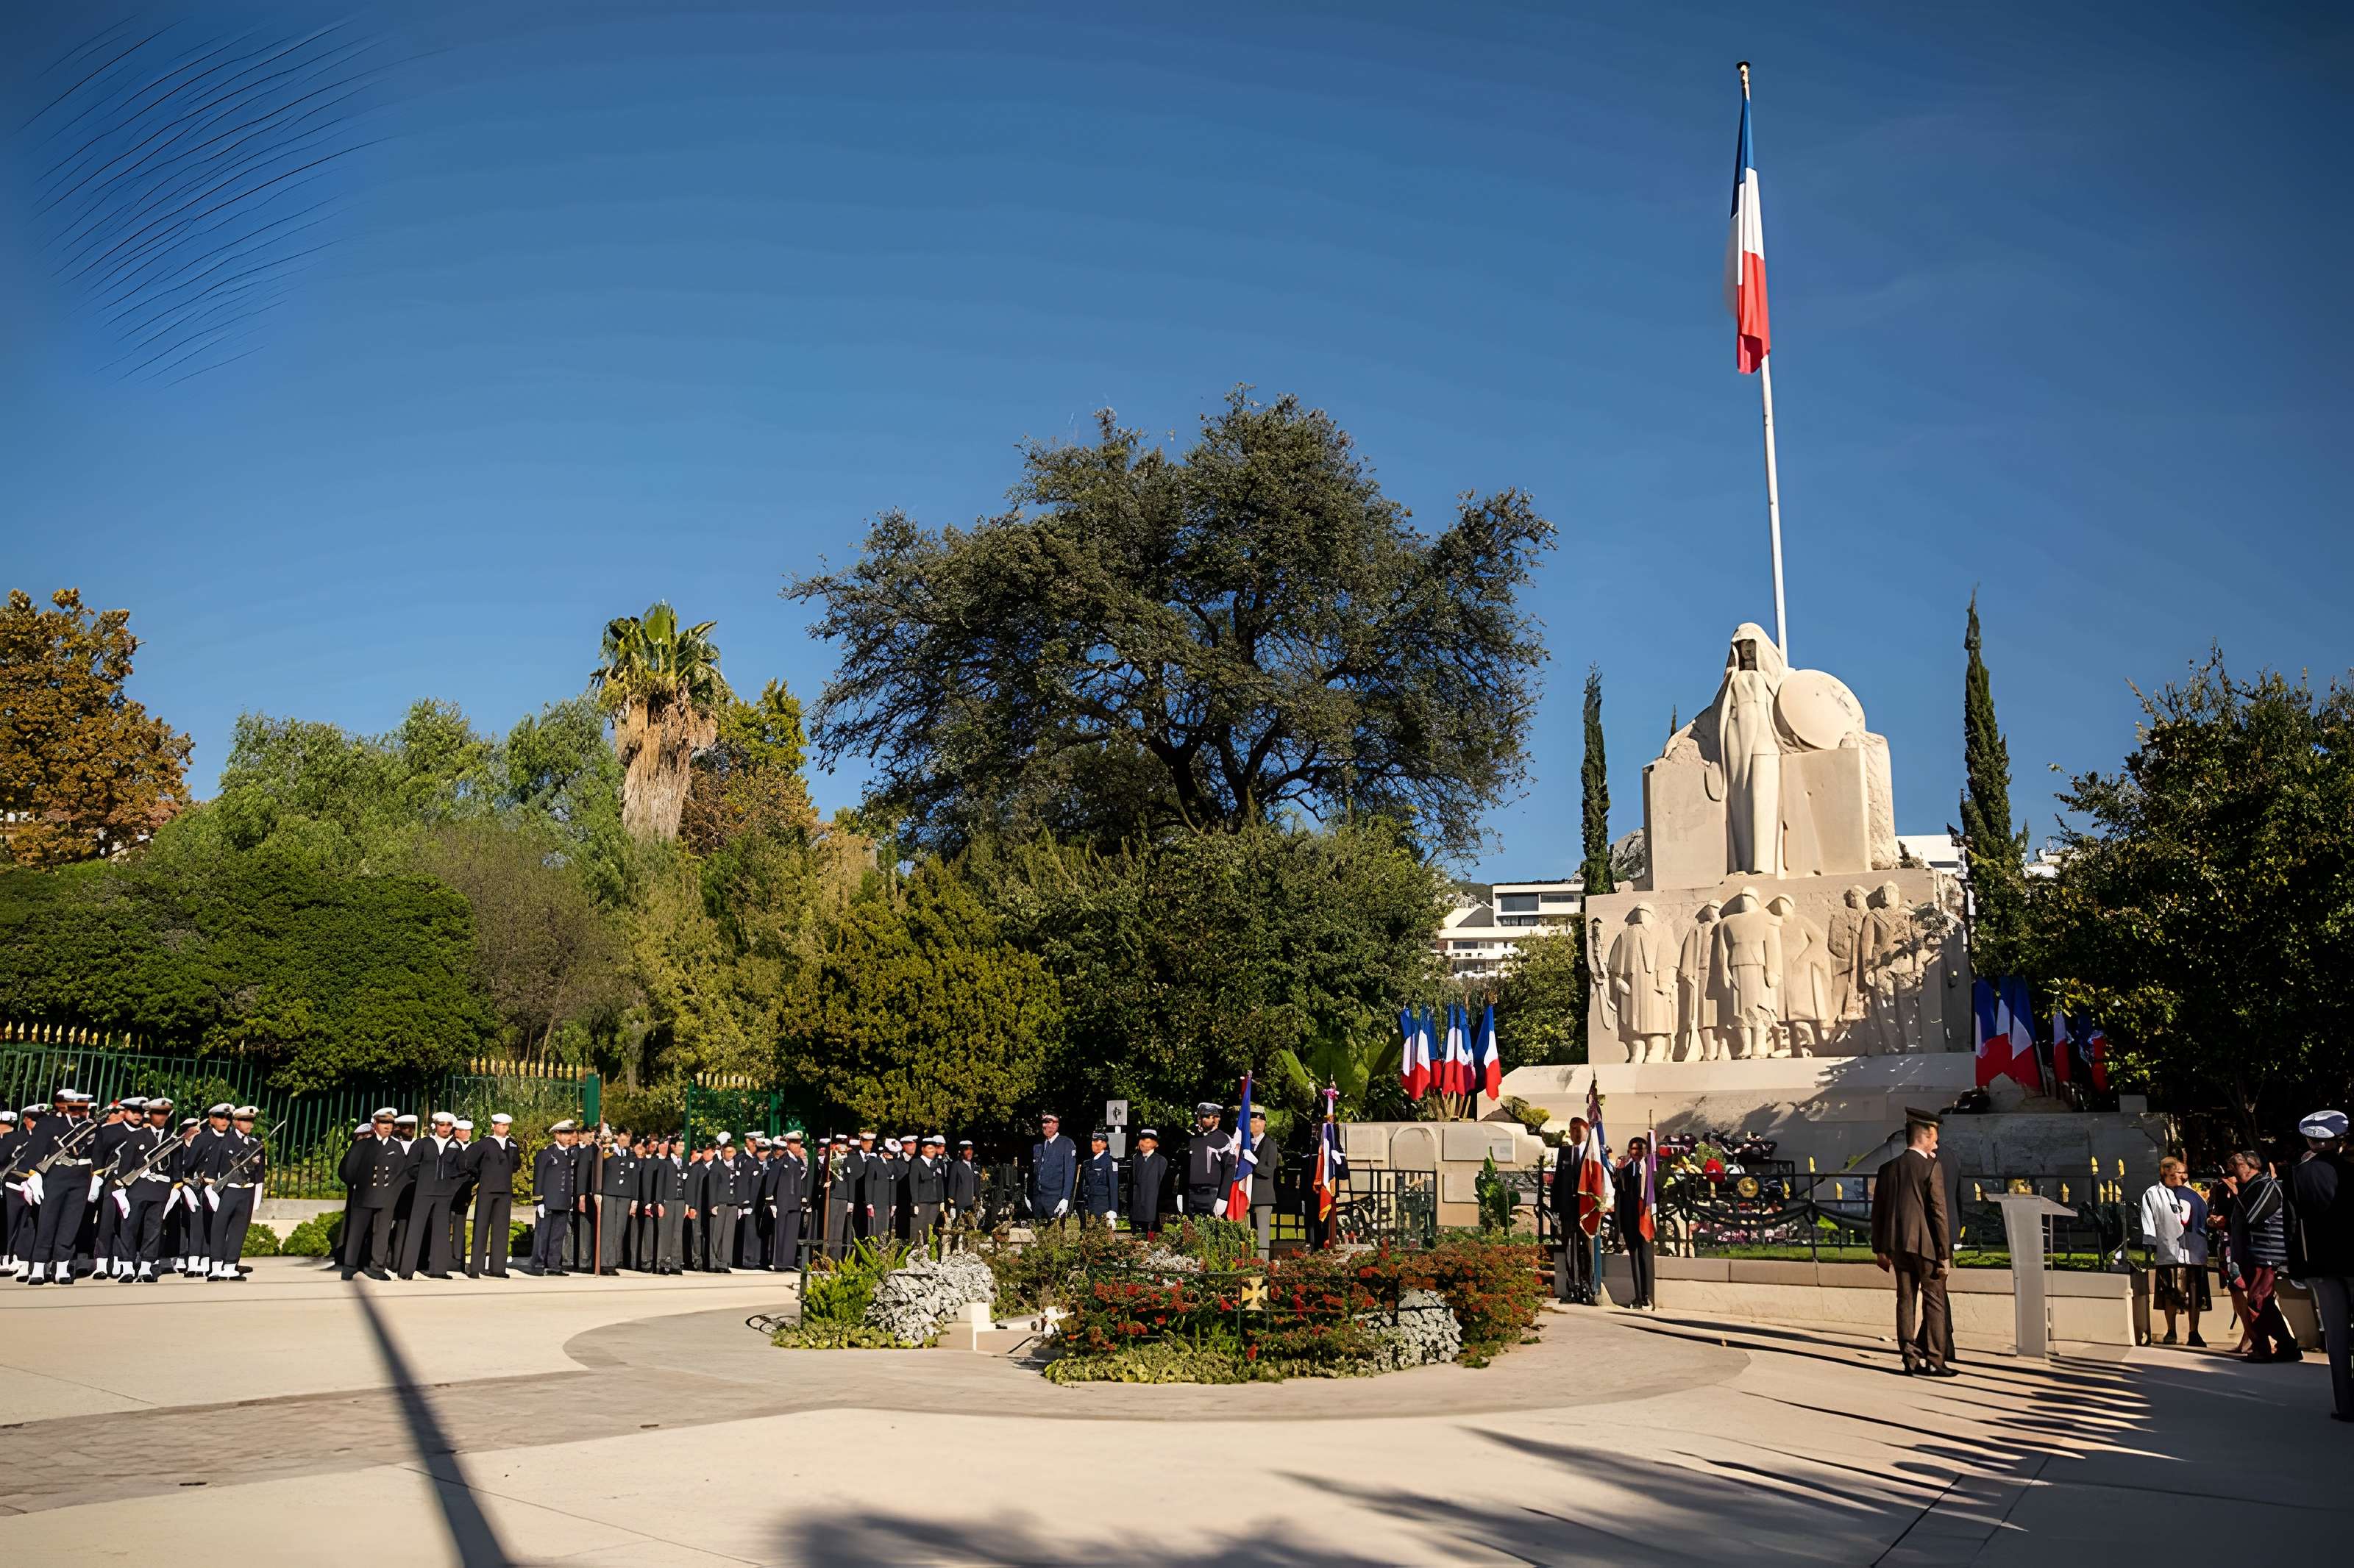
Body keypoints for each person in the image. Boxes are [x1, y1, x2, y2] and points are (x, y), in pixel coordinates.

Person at [1870, 1108, 1955, 1377]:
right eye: (1935, 1137)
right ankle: (1935, 1360)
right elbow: (1939, 1213)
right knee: (1935, 1302)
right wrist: (1945, 1253)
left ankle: (1909, 1359)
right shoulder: (1932, 1166)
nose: (1936, 1143)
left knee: (1905, 1300)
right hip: (1928, 1247)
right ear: (1926, 1135)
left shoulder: (1888, 1169)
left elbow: (1879, 1213)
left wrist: (1880, 1249)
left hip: (1897, 1246)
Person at [2287, 1109, 2353, 1422]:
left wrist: (2298, 1268)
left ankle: (2346, 1405)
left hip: (2322, 1263)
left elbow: (2292, 1225)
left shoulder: (2299, 1174)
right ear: (2339, 1140)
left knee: (2337, 1337)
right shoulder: (2349, 1170)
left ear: (2310, 1140)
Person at [2225, 1150, 2300, 1364]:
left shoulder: (2266, 1186)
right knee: (2262, 1303)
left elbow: (2253, 1216)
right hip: (2254, 1254)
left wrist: (2236, 1196)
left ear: (2252, 1166)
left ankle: (2266, 1348)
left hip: (2265, 1254)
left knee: (2258, 1302)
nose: (2233, 1170)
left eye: (2237, 1165)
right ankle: (2285, 1346)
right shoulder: (2253, 1187)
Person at [26, 1091, 100, 1285]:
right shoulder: (50, 1124)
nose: (80, 1111)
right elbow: (35, 1150)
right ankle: (40, 1267)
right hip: (57, 1176)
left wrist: (96, 1179)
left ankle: (61, 1268)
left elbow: (98, 1154)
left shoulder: (91, 1127)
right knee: (47, 1222)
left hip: (81, 1178)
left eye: (83, 1107)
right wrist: (34, 1176)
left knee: (70, 1223)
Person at [2138, 1157, 2210, 1347]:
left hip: (2195, 1251)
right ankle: (2171, 1331)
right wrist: (2151, 1242)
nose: (2181, 1175)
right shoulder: (2153, 1194)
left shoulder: (2195, 1195)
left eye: (2181, 1172)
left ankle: (2194, 1333)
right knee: (2170, 1292)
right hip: (2169, 1251)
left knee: (2195, 1294)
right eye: (2176, 1172)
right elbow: (2149, 1219)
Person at [399, 1112, 465, 1280]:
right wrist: (423, 1180)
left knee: (442, 1232)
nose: (446, 1128)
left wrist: (452, 1189)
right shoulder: (422, 1144)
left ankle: (439, 1270)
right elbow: (411, 1167)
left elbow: (462, 1171)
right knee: (415, 1229)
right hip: (424, 1192)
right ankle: (407, 1270)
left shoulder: (456, 1146)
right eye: (442, 1125)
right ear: (435, 1125)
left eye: (449, 1125)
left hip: (444, 1195)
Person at [341, 1110, 402, 1280]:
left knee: (381, 1233)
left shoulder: (395, 1146)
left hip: (386, 1195)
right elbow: (349, 1168)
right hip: (365, 1193)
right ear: (376, 1124)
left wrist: (393, 1190)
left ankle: (377, 1267)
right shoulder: (364, 1145)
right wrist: (356, 1185)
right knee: (357, 1231)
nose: (388, 1128)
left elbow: (401, 1170)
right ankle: (350, 1266)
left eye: (390, 1125)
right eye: (384, 1125)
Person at [466, 1114, 522, 1278]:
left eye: (507, 1126)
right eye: (502, 1125)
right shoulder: (484, 1144)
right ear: (494, 1126)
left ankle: (498, 1268)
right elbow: (470, 1163)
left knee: (501, 1229)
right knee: (481, 1227)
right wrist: (483, 1174)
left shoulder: (512, 1144)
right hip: (487, 1189)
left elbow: (516, 1165)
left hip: (504, 1190)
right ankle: (476, 1267)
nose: (506, 1129)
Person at [2206, 1174, 2252, 1353]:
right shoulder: (2219, 1189)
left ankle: (2253, 1335)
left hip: (2244, 1246)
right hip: (2227, 1245)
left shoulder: (2251, 1188)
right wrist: (2214, 1220)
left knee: (2248, 1290)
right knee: (2235, 1289)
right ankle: (2249, 1334)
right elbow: (2211, 1214)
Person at [1549, 1116, 1592, 1305]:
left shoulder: (1592, 1153)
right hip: (1568, 1209)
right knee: (1569, 1249)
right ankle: (1571, 1288)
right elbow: (1558, 1181)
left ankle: (1587, 1287)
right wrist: (1555, 1208)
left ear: (1586, 1129)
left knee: (1585, 1249)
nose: (1574, 1132)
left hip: (1585, 1209)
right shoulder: (1565, 1152)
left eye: (1578, 1129)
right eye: (1572, 1128)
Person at [1614, 1136, 1657, 1311]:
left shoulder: (1652, 1171)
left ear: (1646, 1152)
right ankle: (1638, 1296)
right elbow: (1620, 1194)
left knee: (1645, 1258)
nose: (1637, 1153)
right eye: (1634, 1149)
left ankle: (1648, 1297)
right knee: (1634, 1258)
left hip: (1645, 1218)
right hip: (1630, 1219)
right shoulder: (1627, 1169)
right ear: (1629, 1151)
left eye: (1640, 1149)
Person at [532, 1122, 580, 1275]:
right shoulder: (547, 1153)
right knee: (543, 1235)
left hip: (563, 1201)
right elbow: (539, 1177)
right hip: (548, 1201)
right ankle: (539, 1265)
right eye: (566, 1134)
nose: (569, 1137)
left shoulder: (570, 1154)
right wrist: (538, 1201)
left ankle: (553, 1265)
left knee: (558, 1235)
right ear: (557, 1134)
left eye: (570, 1134)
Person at [596, 1129, 639, 1275]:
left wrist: (635, 1199)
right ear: (617, 1138)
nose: (624, 1141)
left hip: (625, 1195)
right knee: (608, 1229)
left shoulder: (631, 1156)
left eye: (627, 1139)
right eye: (622, 1138)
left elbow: (635, 1179)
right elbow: (599, 1170)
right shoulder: (609, 1152)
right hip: (609, 1193)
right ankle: (604, 1263)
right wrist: (598, 1191)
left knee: (619, 1229)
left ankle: (613, 1262)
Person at [768, 1130, 810, 1272]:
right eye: (795, 1143)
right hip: (783, 1201)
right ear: (788, 1144)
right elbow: (771, 1180)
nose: (798, 1146)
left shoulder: (797, 1161)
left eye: (799, 1143)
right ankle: (779, 1262)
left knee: (792, 1233)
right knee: (781, 1231)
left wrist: (803, 1197)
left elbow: (800, 1182)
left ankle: (788, 1261)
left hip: (795, 1202)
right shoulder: (782, 1160)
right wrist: (771, 1202)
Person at [1028, 1114, 1078, 1226]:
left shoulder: (1066, 1144)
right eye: (1045, 1122)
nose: (1047, 1126)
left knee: (1054, 1238)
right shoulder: (1038, 1145)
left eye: (1050, 1122)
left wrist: (1065, 1198)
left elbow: (1069, 1173)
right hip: (1037, 1202)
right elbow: (1033, 1173)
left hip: (1055, 1199)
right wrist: (1028, 1195)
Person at [1179, 1103, 1229, 1219]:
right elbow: (1185, 1169)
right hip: (1191, 1193)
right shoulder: (1193, 1139)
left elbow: (1229, 1170)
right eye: (1200, 1117)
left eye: (1206, 1116)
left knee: (1211, 1232)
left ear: (1216, 1119)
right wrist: (1181, 1193)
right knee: (1191, 1231)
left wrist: (1223, 1197)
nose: (1202, 1120)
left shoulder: (1223, 1140)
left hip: (1212, 1193)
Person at [1245, 1108, 1280, 1258]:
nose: (1255, 1125)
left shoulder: (1270, 1144)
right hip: (1246, 1195)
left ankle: (1263, 1266)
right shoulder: (1246, 1143)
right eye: (1252, 1122)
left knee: (1263, 1234)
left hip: (1263, 1197)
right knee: (1246, 1234)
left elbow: (1268, 1170)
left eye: (1258, 1122)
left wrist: (1253, 1162)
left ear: (1264, 1123)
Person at [446, 1119, 477, 1269]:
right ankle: (444, 1259)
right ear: (456, 1131)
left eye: (468, 1131)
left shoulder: (474, 1148)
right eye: (462, 1131)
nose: (466, 1134)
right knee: (445, 1225)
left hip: (465, 1193)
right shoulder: (450, 1146)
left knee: (460, 1225)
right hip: (448, 1192)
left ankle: (458, 1261)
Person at [1128, 1128, 1168, 1239]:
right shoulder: (1135, 1159)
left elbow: (1163, 1186)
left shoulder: (1161, 1161)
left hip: (1153, 1208)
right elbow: (1132, 1184)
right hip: (1137, 1208)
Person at [906, 1134, 946, 1245]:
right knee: (919, 1230)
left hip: (935, 1203)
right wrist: (914, 1203)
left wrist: (942, 1200)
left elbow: (940, 1183)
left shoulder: (938, 1164)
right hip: (921, 1203)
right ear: (923, 1149)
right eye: (929, 1148)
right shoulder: (916, 1163)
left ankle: (931, 1255)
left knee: (932, 1231)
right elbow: (913, 1184)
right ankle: (916, 1254)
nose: (932, 1150)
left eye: (934, 1148)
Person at [1079, 1130, 1119, 1230]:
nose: (1095, 1144)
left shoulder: (1110, 1161)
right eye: (1093, 1141)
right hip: (1090, 1205)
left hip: (1104, 1206)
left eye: (1098, 1142)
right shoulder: (1089, 1163)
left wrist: (1113, 1210)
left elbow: (1113, 1187)